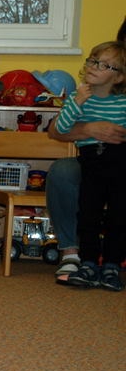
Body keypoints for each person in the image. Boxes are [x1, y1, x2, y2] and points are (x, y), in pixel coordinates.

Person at [46, 20, 126, 284]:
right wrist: (88, 125)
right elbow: (57, 129)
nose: (94, 67)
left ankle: (112, 264)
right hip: (92, 164)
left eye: (103, 65)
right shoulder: (80, 97)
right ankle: (82, 259)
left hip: (120, 165)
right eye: (93, 61)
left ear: (118, 75)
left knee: (118, 214)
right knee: (88, 212)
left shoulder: (121, 102)